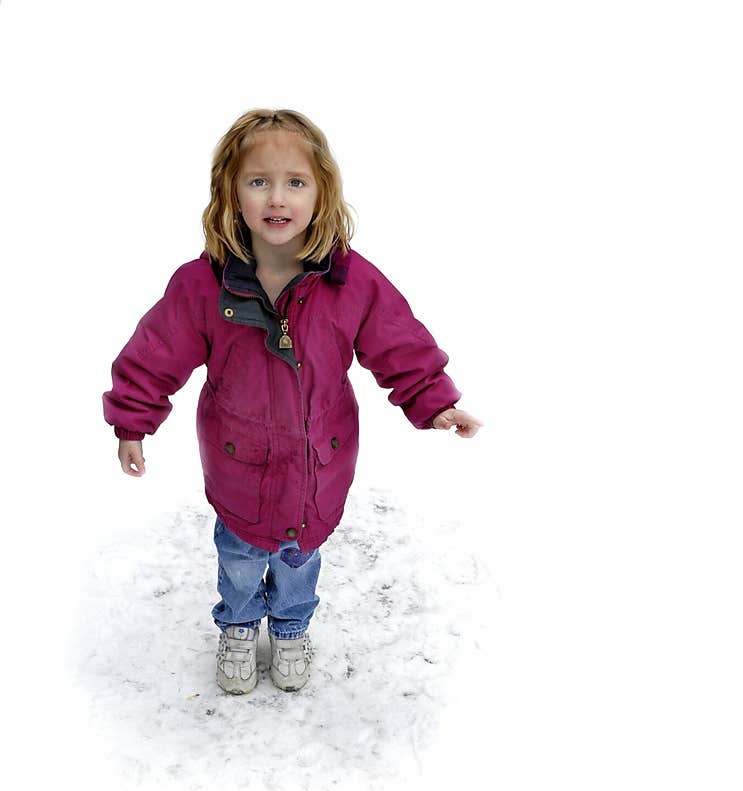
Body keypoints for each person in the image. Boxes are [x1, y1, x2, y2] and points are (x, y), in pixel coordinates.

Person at [103, 108, 482, 697]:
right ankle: (237, 623)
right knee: (239, 556)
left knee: (300, 560)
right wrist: (133, 422)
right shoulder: (202, 285)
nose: (276, 198)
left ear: (322, 192)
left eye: (295, 182)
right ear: (231, 191)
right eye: (259, 181)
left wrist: (433, 401)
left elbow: (398, 343)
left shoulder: (351, 282)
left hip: (318, 467)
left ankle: (290, 626)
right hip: (239, 467)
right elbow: (155, 354)